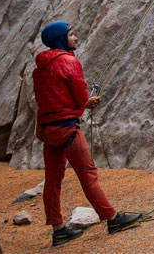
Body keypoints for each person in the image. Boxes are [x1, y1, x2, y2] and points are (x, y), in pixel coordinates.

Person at [33, 20, 141, 247]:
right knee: (88, 173)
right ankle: (112, 218)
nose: (75, 38)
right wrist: (89, 102)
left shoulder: (40, 68)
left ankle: (58, 229)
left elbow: (54, 98)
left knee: (53, 181)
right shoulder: (69, 62)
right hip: (67, 129)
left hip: (47, 131)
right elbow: (80, 96)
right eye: (71, 35)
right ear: (61, 40)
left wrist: (82, 103)